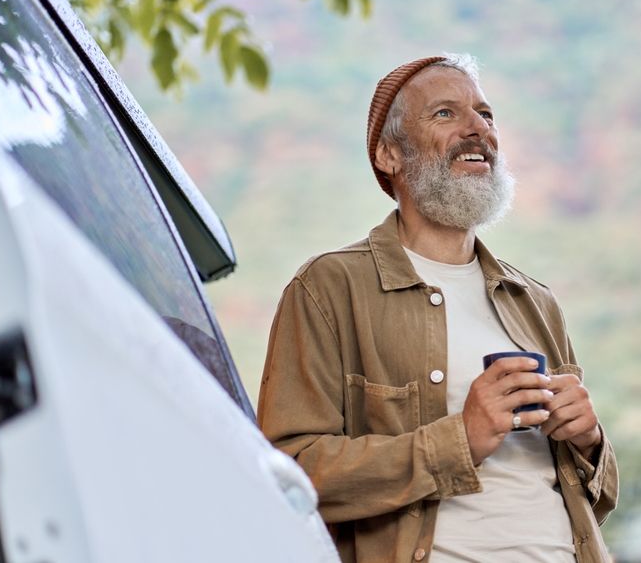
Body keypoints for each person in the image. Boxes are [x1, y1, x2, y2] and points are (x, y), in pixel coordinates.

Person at [258, 54, 618, 562]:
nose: (478, 129)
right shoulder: (329, 288)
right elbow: (287, 472)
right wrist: (459, 440)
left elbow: (596, 500)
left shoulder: (536, 302)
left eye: (486, 114)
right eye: (446, 113)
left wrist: (590, 438)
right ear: (388, 155)